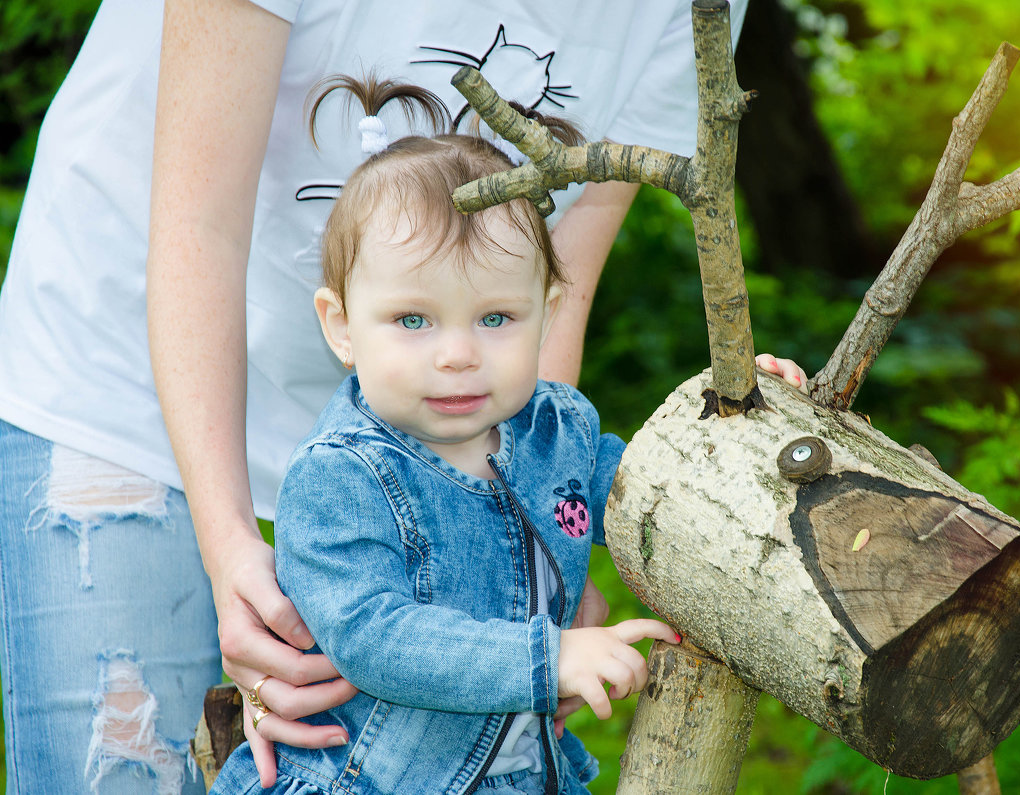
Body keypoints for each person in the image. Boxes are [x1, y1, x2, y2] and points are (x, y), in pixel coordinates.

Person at [0, 1, 761, 793]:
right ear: (339, 320)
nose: (466, 352)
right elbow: (200, 224)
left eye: (495, 321)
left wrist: (737, 425)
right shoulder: (341, 474)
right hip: (121, 369)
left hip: (425, 417)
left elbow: (562, 284)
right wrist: (229, 550)